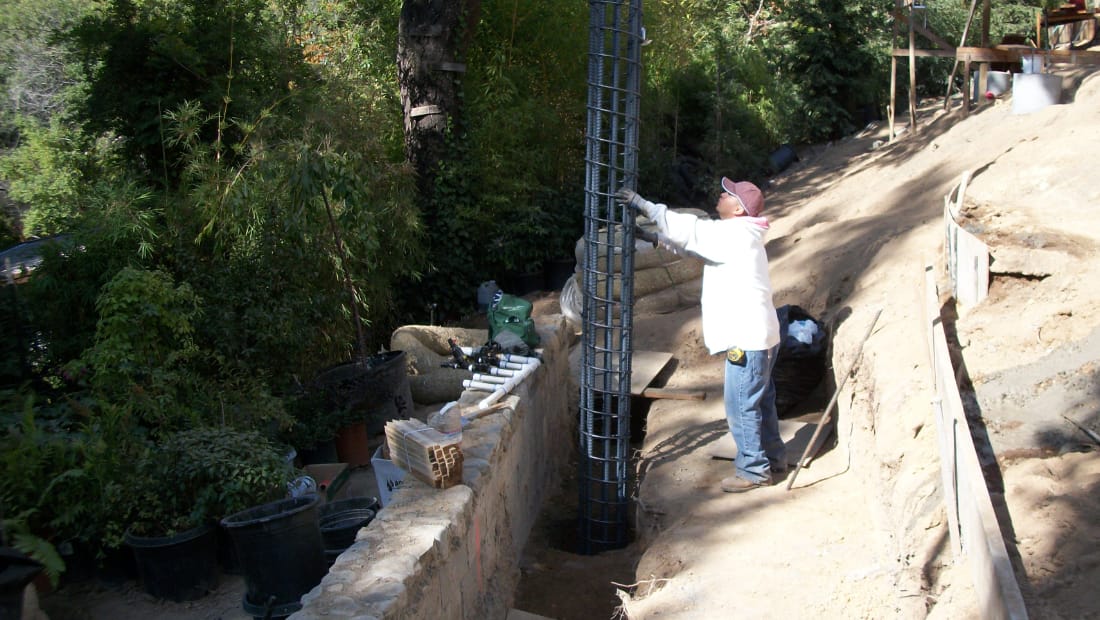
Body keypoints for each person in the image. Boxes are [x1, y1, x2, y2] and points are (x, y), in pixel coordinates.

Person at [617, 178, 785, 492]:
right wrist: (656, 239)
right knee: (761, 403)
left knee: (741, 406)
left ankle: (753, 471)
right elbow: (700, 249)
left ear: (738, 208)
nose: (720, 195)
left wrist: (644, 205)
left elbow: (693, 231)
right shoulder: (743, 235)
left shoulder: (734, 234)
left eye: (728, 194)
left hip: (747, 341)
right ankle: (773, 460)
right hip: (761, 338)